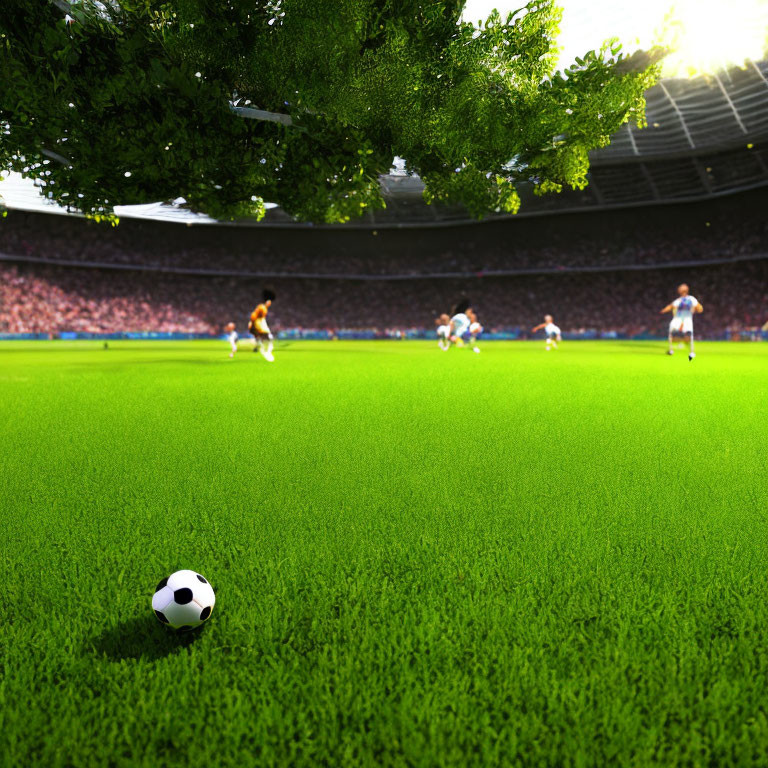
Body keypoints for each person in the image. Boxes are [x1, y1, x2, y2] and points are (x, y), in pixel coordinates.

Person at [661, 283, 703, 361]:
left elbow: (698, 306)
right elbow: (671, 306)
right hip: (679, 318)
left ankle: (691, 351)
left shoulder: (690, 299)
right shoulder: (680, 300)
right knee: (672, 331)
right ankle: (672, 350)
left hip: (685, 318)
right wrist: (664, 310)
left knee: (687, 334)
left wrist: (699, 308)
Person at [249, 289, 276, 362]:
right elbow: (254, 315)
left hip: (261, 322)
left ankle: (258, 346)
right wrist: (252, 322)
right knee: (266, 336)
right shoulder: (261, 307)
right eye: (268, 302)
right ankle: (264, 349)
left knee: (263, 336)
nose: (269, 304)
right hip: (259, 322)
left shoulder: (264, 308)